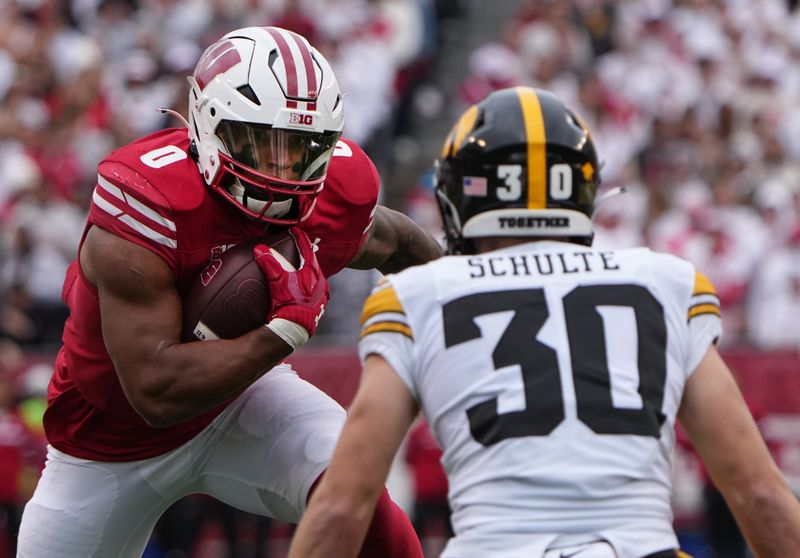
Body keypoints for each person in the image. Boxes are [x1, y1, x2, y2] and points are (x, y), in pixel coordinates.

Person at [287, 86, 800, 558]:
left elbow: (342, 506)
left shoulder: (418, 295)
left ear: (460, 198)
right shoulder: (664, 283)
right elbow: (757, 492)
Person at [17, 26, 442, 557]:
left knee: (356, 494)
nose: (283, 168)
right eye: (262, 143)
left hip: (240, 402)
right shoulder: (147, 202)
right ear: (209, 124)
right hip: (108, 443)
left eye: (302, 148)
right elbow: (154, 392)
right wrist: (283, 330)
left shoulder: (330, 194)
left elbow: (392, 238)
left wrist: (465, 286)